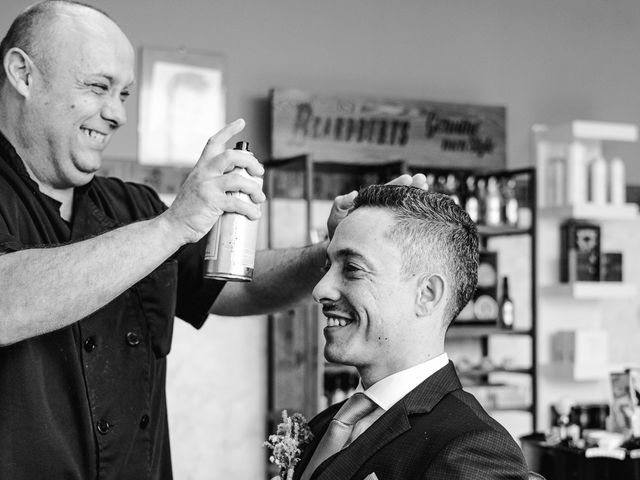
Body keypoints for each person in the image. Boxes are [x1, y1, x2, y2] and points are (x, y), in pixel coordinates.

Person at [0, 1, 426, 479]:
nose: (117, 113)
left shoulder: (131, 207)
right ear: (22, 73)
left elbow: (234, 285)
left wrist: (332, 250)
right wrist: (172, 226)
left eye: (124, 94)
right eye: (99, 87)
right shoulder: (155, 224)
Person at [294, 185, 528, 480]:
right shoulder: (322, 426)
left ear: (427, 294)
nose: (320, 290)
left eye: (352, 268)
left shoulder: (474, 450)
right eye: (328, 267)